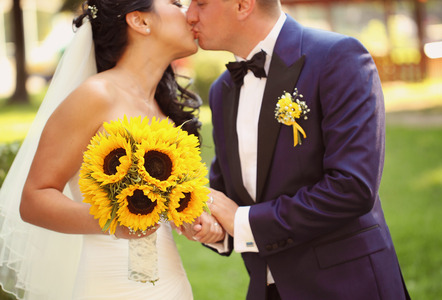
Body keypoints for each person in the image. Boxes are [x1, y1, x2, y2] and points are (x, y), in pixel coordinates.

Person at [186, 0, 411, 299]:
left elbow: (352, 187)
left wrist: (242, 221)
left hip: (347, 286)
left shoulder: (338, 57)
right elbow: (228, 192)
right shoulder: (221, 90)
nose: (189, 15)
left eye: (200, 3)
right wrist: (211, 224)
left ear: (243, 5)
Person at [0, 0, 223, 299]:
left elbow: (159, 206)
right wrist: (114, 223)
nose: (190, 13)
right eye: (175, 3)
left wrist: (191, 216)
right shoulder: (96, 96)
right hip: (109, 284)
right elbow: (33, 199)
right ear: (140, 21)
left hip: (170, 283)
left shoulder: (163, 111)